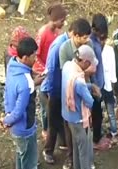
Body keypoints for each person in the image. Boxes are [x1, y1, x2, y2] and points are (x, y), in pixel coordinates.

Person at [0, 37, 45, 169]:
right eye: (33, 56)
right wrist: (7, 120)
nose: (35, 59)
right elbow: (20, 111)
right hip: (24, 126)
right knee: (28, 155)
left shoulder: (12, 66)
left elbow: (7, 92)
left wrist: (7, 115)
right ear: (25, 57)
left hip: (14, 124)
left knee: (20, 151)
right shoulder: (26, 83)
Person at [61, 44, 103, 169]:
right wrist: (92, 91)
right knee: (84, 148)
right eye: (89, 64)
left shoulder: (68, 66)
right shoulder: (78, 80)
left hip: (68, 114)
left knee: (76, 144)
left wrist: (89, 86)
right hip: (78, 117)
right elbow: (89, 101)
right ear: (85, 62)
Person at [57, 18, 93, 169]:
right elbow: (66, 73)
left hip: (84, 90)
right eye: (84, 37)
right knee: (72, 131)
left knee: (85, 132)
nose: (87, 40)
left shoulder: (88, 46)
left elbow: (93, 69)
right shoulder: (64, 49)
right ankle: (72, 159)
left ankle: (83, 163)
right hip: (70, 95)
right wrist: (84, 73)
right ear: (76, 36)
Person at [42, 20, 76, 165]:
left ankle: (67, 149)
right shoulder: (58, 46)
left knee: (65, 122)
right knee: (53, 123)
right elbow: (50, 71)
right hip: (55, 90)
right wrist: (51, 92)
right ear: (74, 34)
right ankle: (48, 151)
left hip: (63, 88)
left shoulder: (69, 43)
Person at [34, 3, 67, 141]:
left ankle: (53, 129)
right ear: (55, 19)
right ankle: (46, 129)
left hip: (52, 71)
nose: (63, 23)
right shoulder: (43, 33)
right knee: (44, 103)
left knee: (52, 103)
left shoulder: (57, 33)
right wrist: (45, 71)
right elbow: (35, 55)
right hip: (43, 72)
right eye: (62, 20)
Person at [90, 13, 112, 150]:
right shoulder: (91, 43)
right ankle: (96, 140)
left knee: (98, 111)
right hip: (95, 84)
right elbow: (91, 67)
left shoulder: (97, 41)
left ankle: (96, 135)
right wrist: (95, 86)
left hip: (99, 81)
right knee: (96, 112)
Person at [101, 34, 118, 143]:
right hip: (99, 85)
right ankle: (102, 132)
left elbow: (112, 66)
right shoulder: (94, 48)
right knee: (99, 111)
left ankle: (114, 132)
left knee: (110, 111)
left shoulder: (109, 50)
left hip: (107, 85)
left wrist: (112, 82)